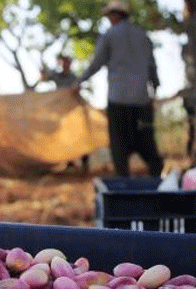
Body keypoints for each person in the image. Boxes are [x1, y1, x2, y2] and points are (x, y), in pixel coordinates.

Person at [72, 0, 164, 178]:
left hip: (118, 99)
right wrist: (154, 89)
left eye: (109, 16)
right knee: (146, 140)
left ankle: (123, 181)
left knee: (119, 144)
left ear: (114, 15)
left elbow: (96, 63)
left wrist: (79, 82)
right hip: (141, 99)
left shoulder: (109, 35)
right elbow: (152, 67)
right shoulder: (143, 36)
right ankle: (156, 177)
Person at [42, 54, 90, 172]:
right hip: (60, 113)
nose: (65, 64)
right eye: (63, 62)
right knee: (63, 137)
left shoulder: (74, 78)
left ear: (70, 64)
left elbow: (78, 91)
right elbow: (44, 77)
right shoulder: (56, 75)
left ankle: (84, 164)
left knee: (81, 136)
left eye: (67, 62)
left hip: (73, 113)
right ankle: (69, 162)